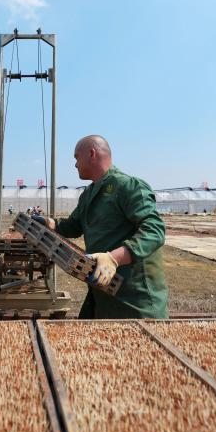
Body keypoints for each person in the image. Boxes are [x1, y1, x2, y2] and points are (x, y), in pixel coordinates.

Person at [39, 135, 168, 319]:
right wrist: (50, 224)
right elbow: (73, 226)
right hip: (102, 292)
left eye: (77, 158)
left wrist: (113, 259)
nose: (75, 165)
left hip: (135, 299)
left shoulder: (128, 186)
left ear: (91, 153)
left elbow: (154, 231)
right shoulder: (88, 194)